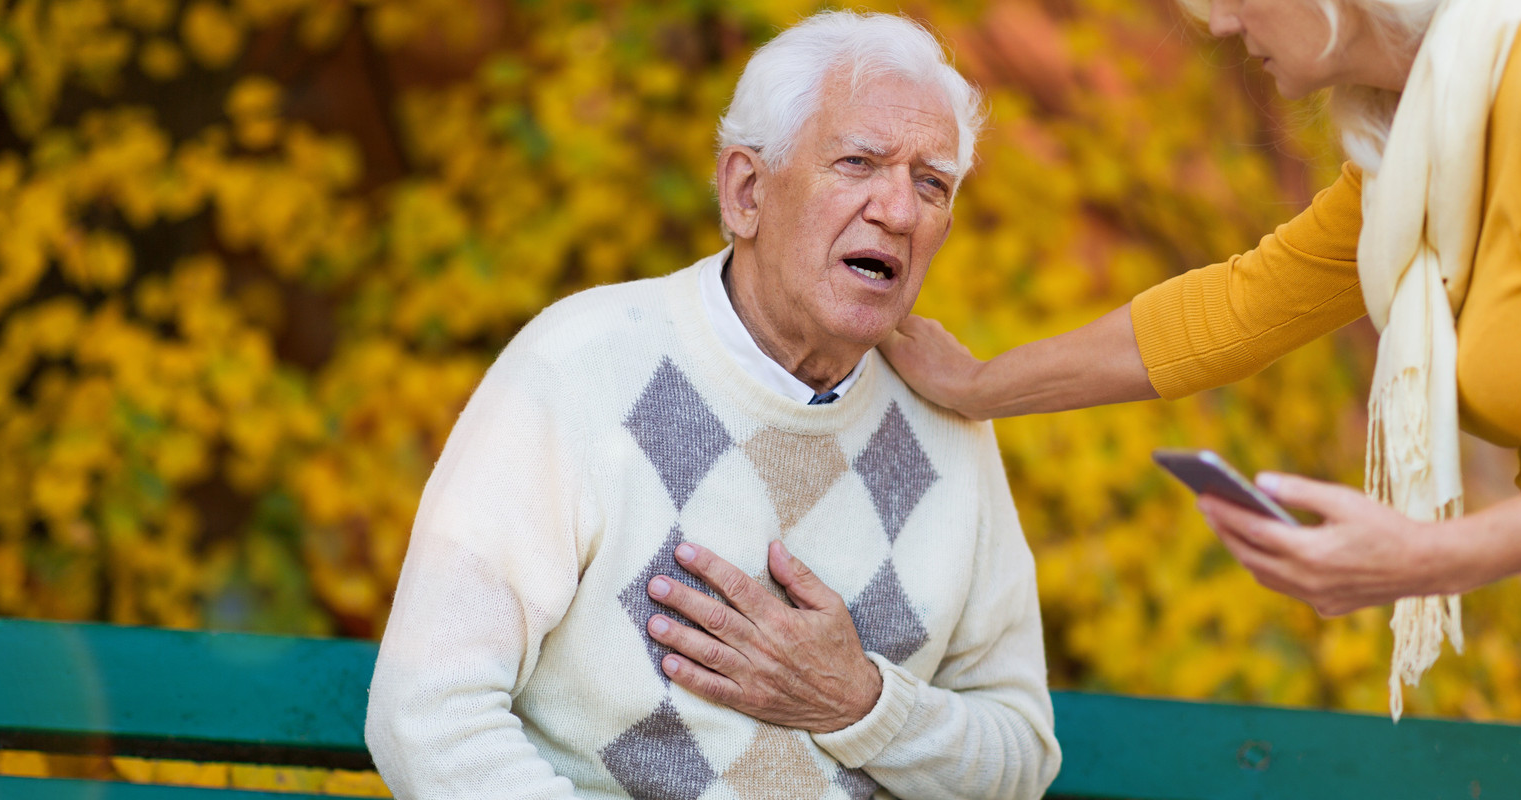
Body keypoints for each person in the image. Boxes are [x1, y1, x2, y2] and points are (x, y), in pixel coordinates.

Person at [878, 0, 1521, 796]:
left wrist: (1431, 555)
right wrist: (981, 385)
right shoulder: (1424, 149)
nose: (1224, 21)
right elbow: (1238, 307)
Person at [364, 11, 1061, 800]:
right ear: (746, 192)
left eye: (931, 182)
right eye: (859, 163)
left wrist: (863, 703)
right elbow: (427, 712)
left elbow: (1019, 759)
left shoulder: (948, 425)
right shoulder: (579, 367)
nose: (898, 212)